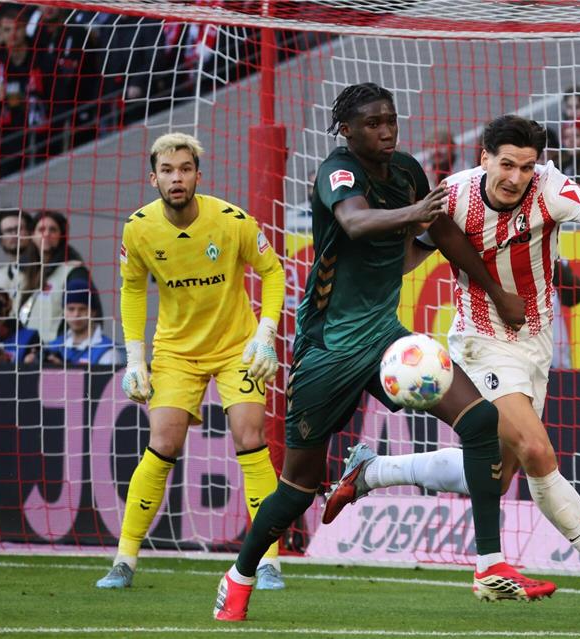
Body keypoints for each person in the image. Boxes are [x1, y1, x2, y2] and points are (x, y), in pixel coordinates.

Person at [322, 114, 580, 617]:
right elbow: (409, 258)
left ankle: (372, 470)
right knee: (537, 448)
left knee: (492, 474)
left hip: (535, 343)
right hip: (479, 341)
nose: (516, 177)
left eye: (527, 166)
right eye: (507, 164)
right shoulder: (452, 195)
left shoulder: (550, 188)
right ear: (484, 158)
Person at [213, 83, 551, 623]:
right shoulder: (337, 171)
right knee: (298, 487)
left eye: (390, 120)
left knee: (482, 422)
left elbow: (443, 233)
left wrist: (493, 290)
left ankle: (490, 565)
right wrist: (415, 212)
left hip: (385, 340)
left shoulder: (408, 171)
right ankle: (239, 575)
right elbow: (355, 221)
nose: (386, 130)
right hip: (327, 351)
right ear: (346, 129)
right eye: (373, 123)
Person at [96, 132, 287, 591]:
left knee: (250, 437)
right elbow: (132, 289)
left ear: (198, 175)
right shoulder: (138, 228)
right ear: (153, 178)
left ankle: (268, 563)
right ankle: (124, 559)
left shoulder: (232, 221)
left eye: (184, 169)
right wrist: (135, 359)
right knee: (162, 443)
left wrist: (265, 335)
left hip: (235, 346)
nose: (176, 177)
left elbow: (273, 271)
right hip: (176, 352)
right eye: (167, 170)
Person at [16, 210, 91, 344]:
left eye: (53, 230)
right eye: (41, 229)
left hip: (55, 352)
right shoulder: (23, 273)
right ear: (32, 235)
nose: (46, 234)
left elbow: (85, 315)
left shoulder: (74, 271)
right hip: (25, 351)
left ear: (61, 236)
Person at [44, 278, 125, 368]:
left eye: (82, 309)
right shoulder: (53, 346)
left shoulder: (108, 352)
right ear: (63, 311)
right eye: (71, 309)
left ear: (93, 312)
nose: (76, 314)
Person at [0, 209, 35, 305]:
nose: (14, 234)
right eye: (8, 231)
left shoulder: (46, 269)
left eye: (19, 229)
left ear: (30, 232)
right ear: (1, 239)